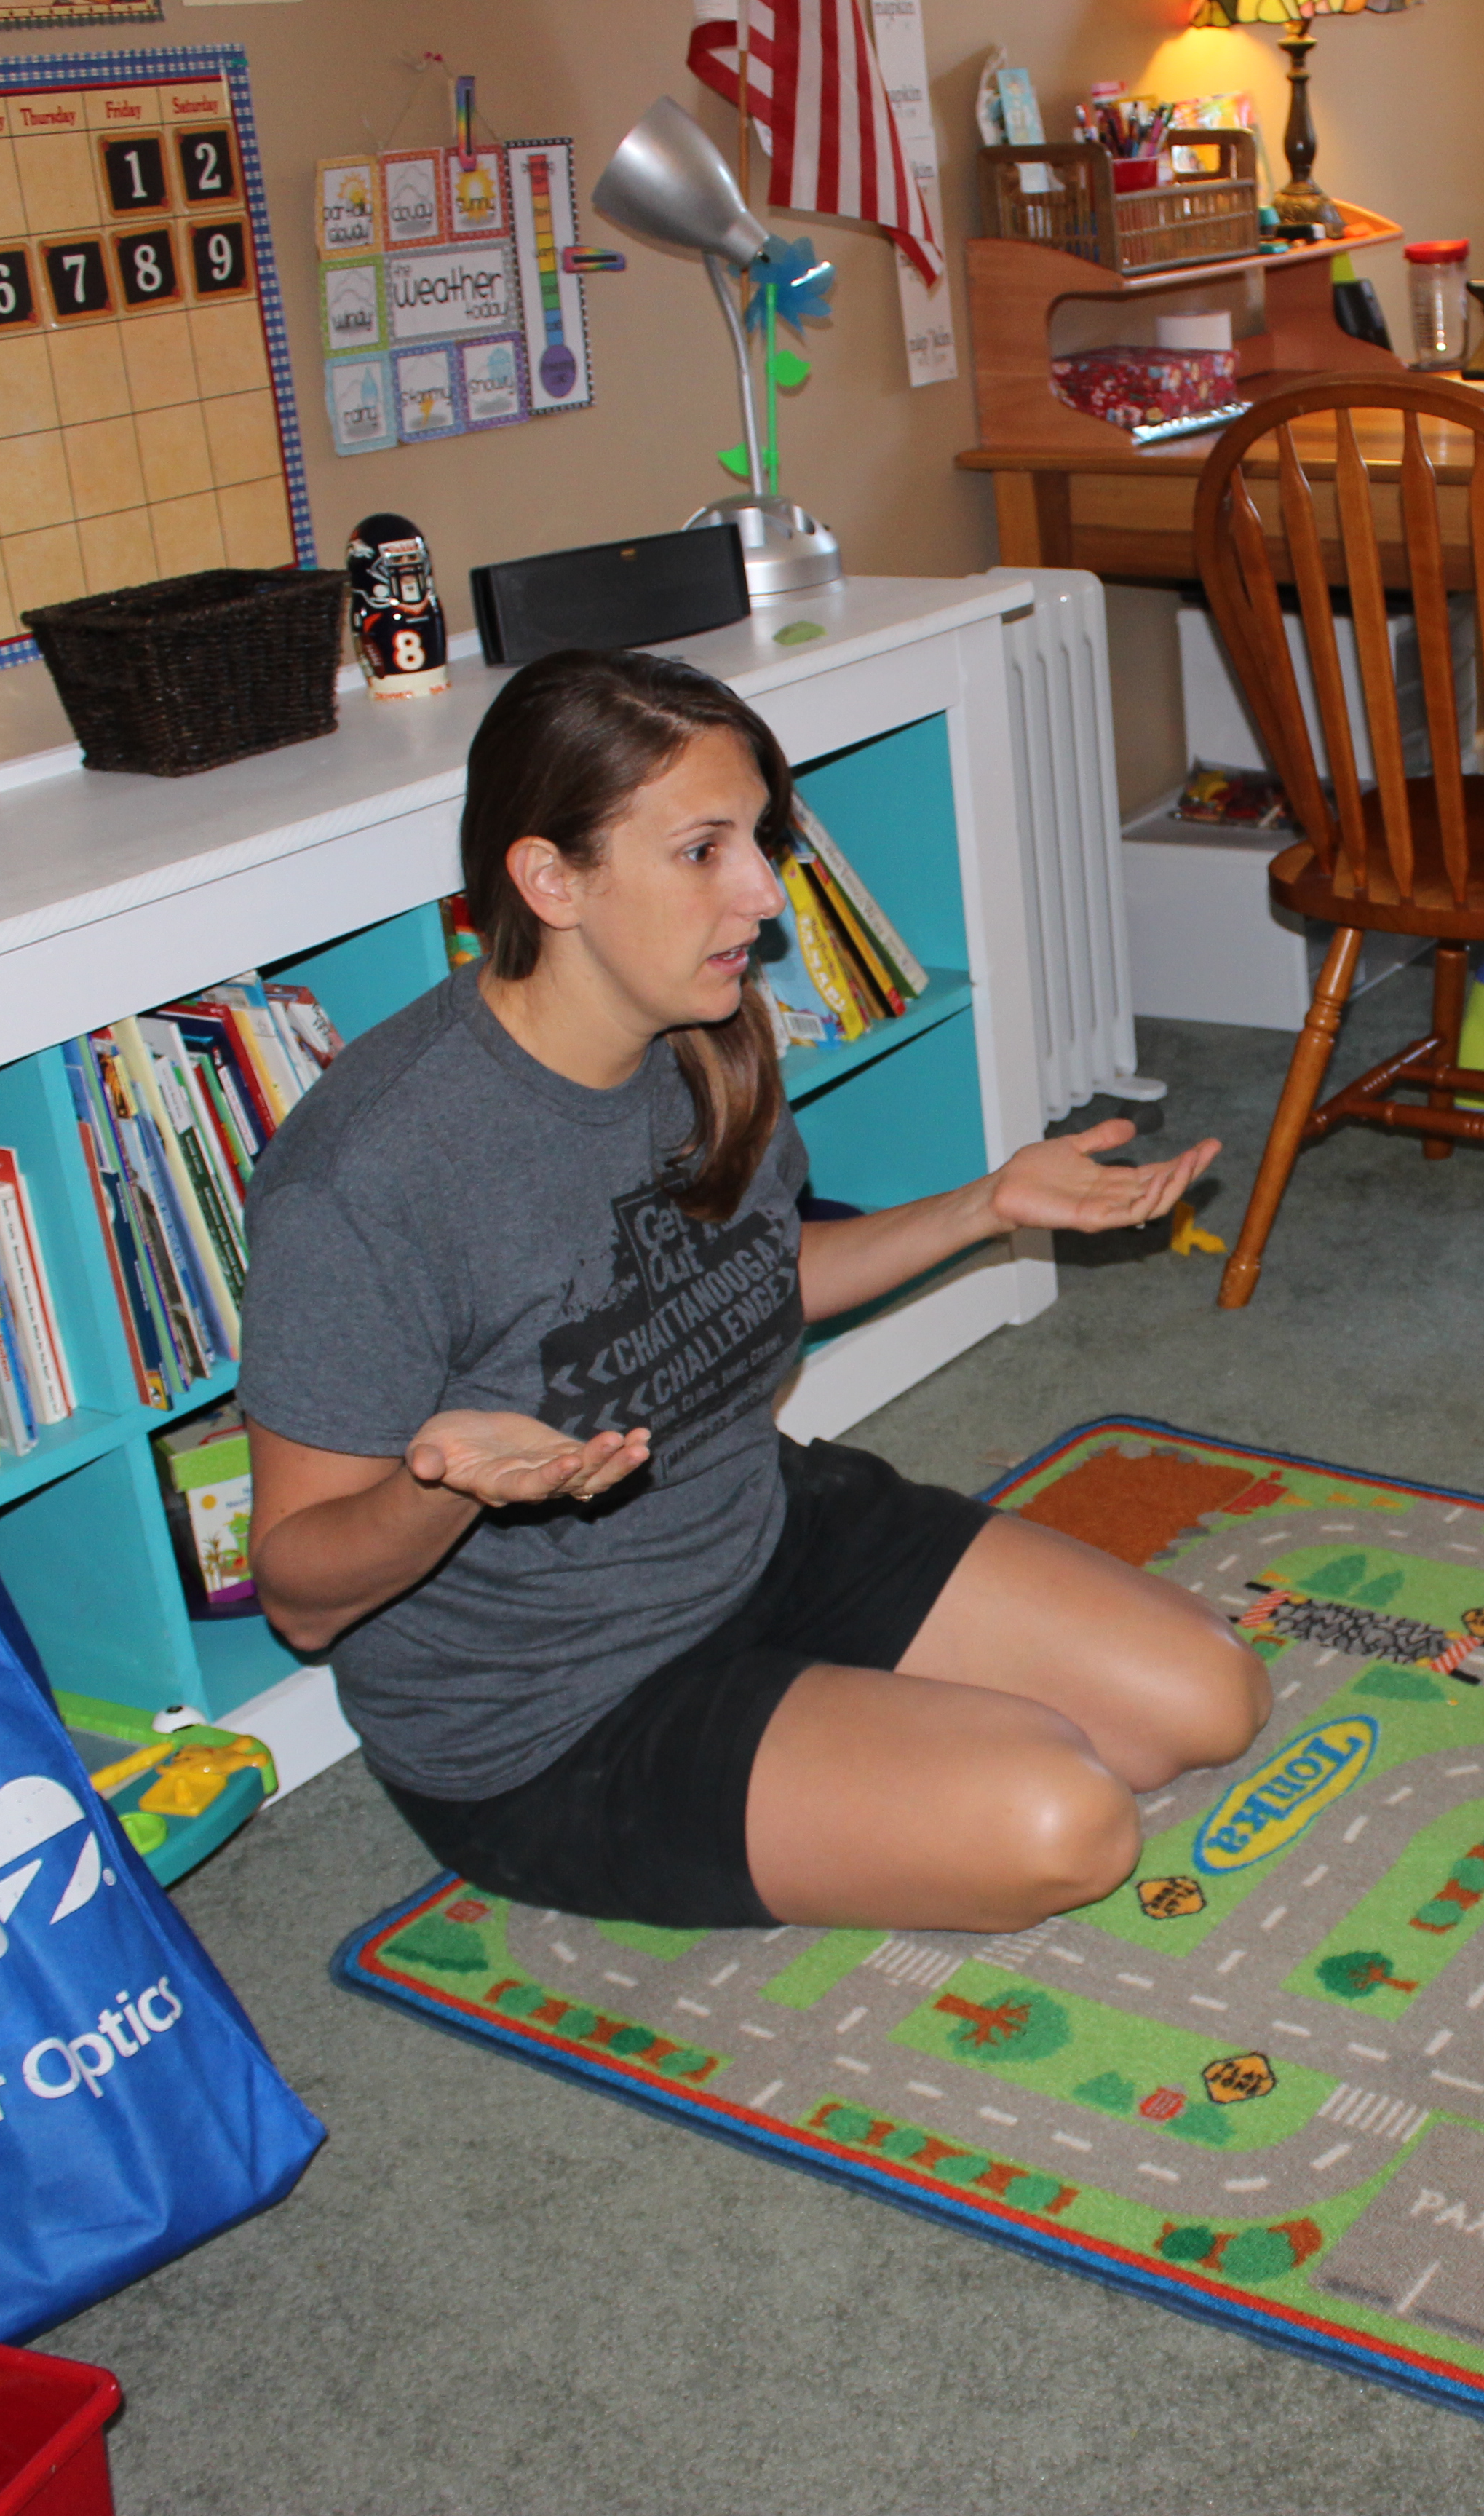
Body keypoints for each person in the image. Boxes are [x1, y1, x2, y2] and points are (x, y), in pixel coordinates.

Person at [240, 649, 1269, 1936]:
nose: (762, 898)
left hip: (756, 1529)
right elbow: (299, 1591)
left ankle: (827, 1720)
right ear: (551, 879)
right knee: (1067, 1825)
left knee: (1211, 1697)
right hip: (555, 1708)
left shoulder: (707, 1034)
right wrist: (442, 1487)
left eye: (761, 842)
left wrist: (984, 1205)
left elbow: (748, 1276)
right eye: (703, 852)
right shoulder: (365, 1177)